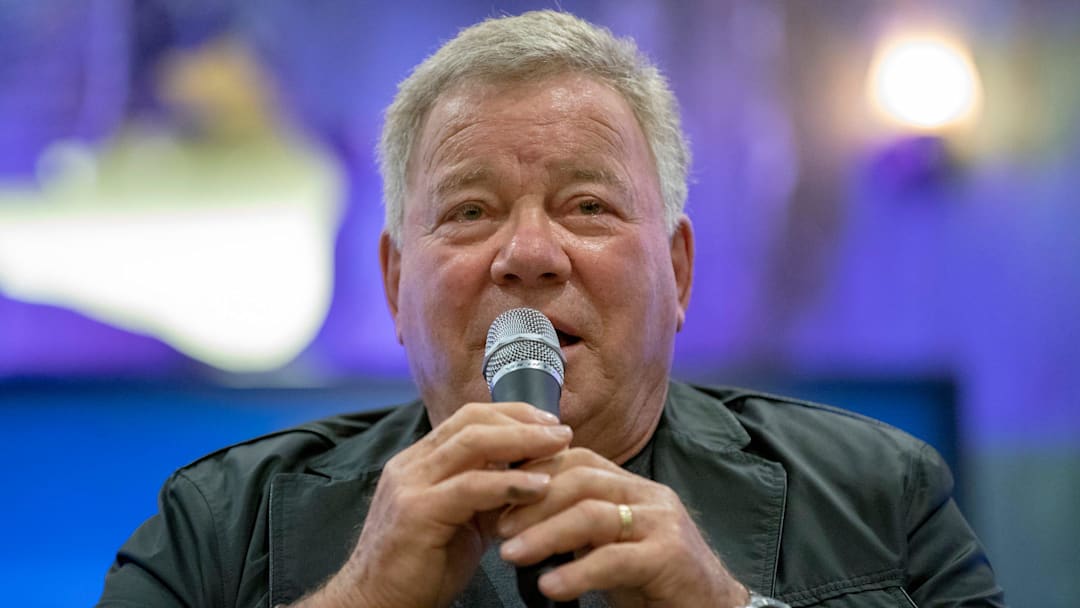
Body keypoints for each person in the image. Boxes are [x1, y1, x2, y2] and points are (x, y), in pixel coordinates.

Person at [98, 10, 1004, 608]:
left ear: (679, 272)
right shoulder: (218, 523)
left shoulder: (881, 493)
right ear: (395, 285)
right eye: (469, 212)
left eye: (588, 206)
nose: (528, 253)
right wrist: (363, 593)